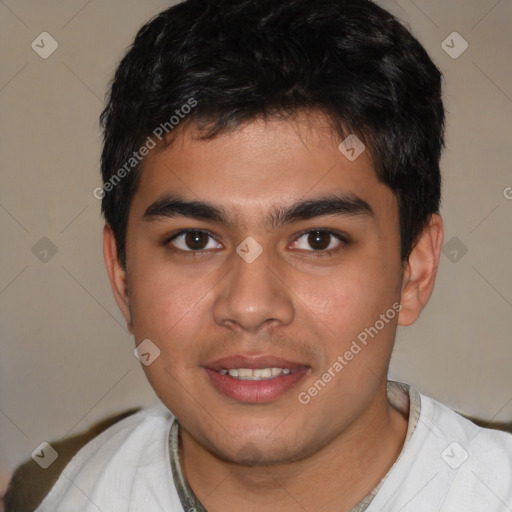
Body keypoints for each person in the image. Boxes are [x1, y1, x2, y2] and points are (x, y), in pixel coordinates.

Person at [6, 0, 512, 510]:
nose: (250, 305)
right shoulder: (52, 490)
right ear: (121, 275)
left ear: (414, 271)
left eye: (318, 240)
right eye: (195, 240)